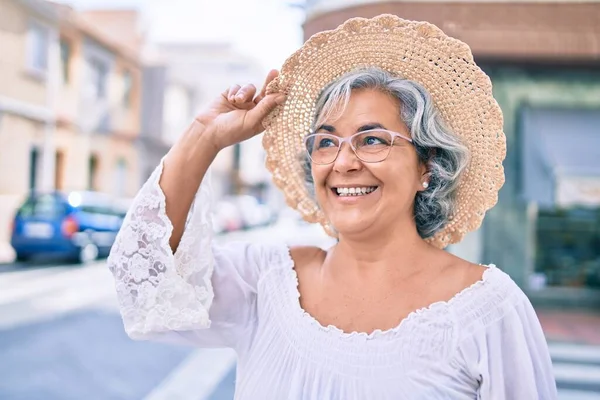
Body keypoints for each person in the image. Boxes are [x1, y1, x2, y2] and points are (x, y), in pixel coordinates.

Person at [107, 14, 558, 399]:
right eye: (326, 142)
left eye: (373, 139)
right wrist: (205, 137)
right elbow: (142, 282)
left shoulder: (486, 309)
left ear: (428, 167)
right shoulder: (266, 281)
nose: (344, 162)